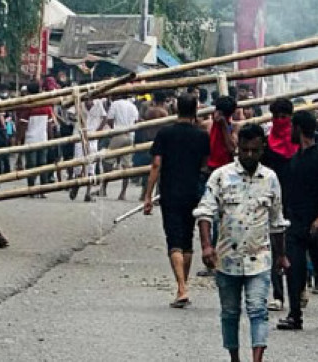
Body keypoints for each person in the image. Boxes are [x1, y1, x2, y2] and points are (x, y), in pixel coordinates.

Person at [195, 124, 288, 362]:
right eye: (244, 150)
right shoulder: (221, 176)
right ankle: (234, 357)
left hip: (260, 258)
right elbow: (205, 212)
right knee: (230, 313)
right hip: (226, 259)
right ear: (238, 148)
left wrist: (281, 255)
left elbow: (277, 221)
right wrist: (207, 245)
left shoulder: (270, 179)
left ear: (262, 150)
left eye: (254, 151)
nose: (249, 155)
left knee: (258, 311)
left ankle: (257, 359)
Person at [142, 93, 210, 308]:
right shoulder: (201, 136)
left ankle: (181, 287)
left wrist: (148, 195)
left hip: (170, 192)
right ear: (195, 111)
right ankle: (184, 285)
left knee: (174, 239)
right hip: (193, 193)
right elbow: (205, 166)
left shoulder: (165, 133)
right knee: (188, 239)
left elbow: (156, 165)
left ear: (176, 109)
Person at [277, 110, 318, 331]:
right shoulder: (295, 160)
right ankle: (295, 315)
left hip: (315, 223)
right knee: (294, 269)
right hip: (295, 223)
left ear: (299, 128)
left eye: (292, 127)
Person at [16, 82, 55, 192]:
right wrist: (51, 139)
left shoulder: (28, 107)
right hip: (43, 138)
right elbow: (49, 125)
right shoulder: (47, 107)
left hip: (31, 139)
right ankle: (43, 187)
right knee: (42, 163)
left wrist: (19, 139)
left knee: (31, 164)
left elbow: (23, 125)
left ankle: (32, 187)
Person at [103, 94, 142, 200]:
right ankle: (123, 193)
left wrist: (112, 130)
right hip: (130, 135)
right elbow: (137, 121)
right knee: (127, 165)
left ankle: (104, 188)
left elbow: (110, 119)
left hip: (119, 133)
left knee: (108, 161)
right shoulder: (133, 106)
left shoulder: (115, 104)